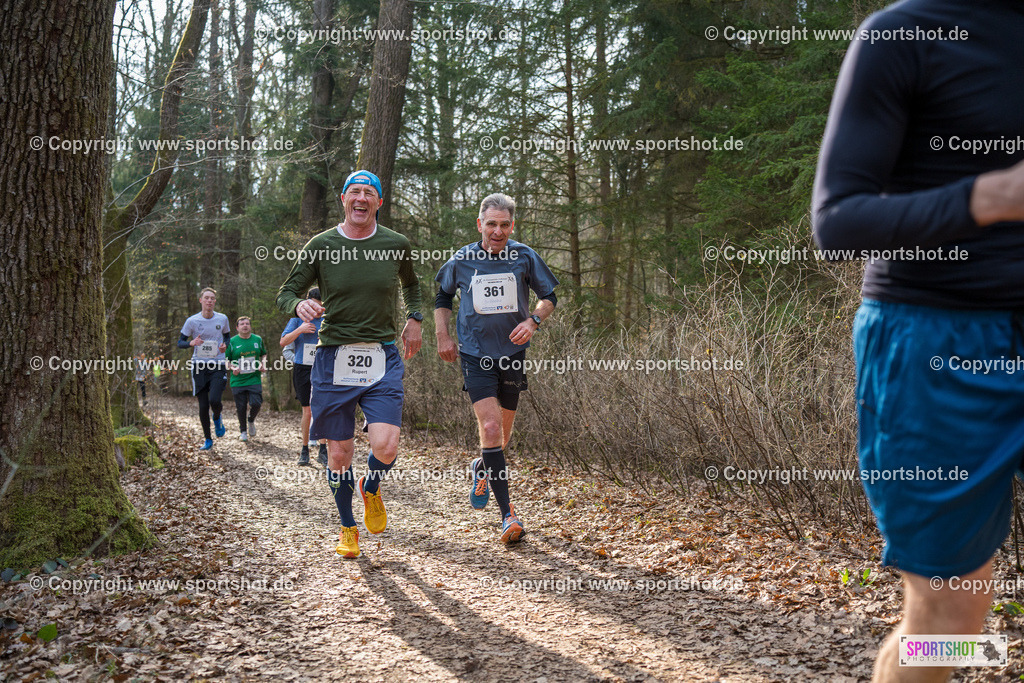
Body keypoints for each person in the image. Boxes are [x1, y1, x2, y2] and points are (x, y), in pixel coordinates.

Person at [813, 3, 1024, 680]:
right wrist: (987, 197)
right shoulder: (904, 33)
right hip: (936, 342)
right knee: (952, 613)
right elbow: (837, 220)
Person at [277, 169, 422, 559]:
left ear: (379, 202)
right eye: (353, 191)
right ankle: (347, 526)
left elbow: (411, 285)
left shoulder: (395, 243)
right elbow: (287, 290)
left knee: (386, 446)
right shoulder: (322, 244)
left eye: (368, 193)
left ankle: (371, 488)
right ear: (343, 199)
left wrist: (415, 317)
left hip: (381, 355)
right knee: (339, 455)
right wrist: (297, 304)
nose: (361, 198)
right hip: (332, 358)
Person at [434, 193, 558, 544]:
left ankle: (482, 466)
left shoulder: (524, 256)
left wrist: (533, 321)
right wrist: (443, 336)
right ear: (480, 225)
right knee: (489, 429)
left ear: (512, 226)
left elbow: (550, 296)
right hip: (474, 354)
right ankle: (508, 516)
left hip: (513, 353)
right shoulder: (463, 259)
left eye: (505, 225)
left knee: (502, 436)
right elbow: (442, 296)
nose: (498, 231)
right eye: (492, 224)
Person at [281, 287, 328, 465]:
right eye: (313, 306)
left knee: (322, 409)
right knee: (307, 410)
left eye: (319, 306)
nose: (316, 310)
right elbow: (283, 341)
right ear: (307, 302)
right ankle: (304, 449)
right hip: (302, 368)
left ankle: (323, 450)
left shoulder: (328, 320)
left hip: (323, 369)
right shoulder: (296, 319)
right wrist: (300, 329)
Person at [178, 288, 230, 450]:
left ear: (215, 301)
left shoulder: (222, 318)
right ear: (200, 300)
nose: (209, 301)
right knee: (202, 405)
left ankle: (217, 417)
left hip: (218, 365)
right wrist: (191, 343)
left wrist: (224, 346)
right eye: (206, 298)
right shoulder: (192, 321)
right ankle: (208, 439)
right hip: (199, 366)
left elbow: (227, 337)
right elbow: (180, 342)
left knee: (214, 400)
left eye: (212, 298)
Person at [225, 316, 267, 442]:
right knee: (241, 407)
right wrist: (233, 368)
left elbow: (263, 354)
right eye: (242, 324)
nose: (245, 326)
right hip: (238, 380)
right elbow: (226, 360)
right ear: (237, 327)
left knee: (256, 403)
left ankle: (251, 420)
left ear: (250, 326)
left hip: (254, 378)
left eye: (247, 323)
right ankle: (243, 431)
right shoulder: (232, 342)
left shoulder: (257, 339)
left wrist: (262, 363)